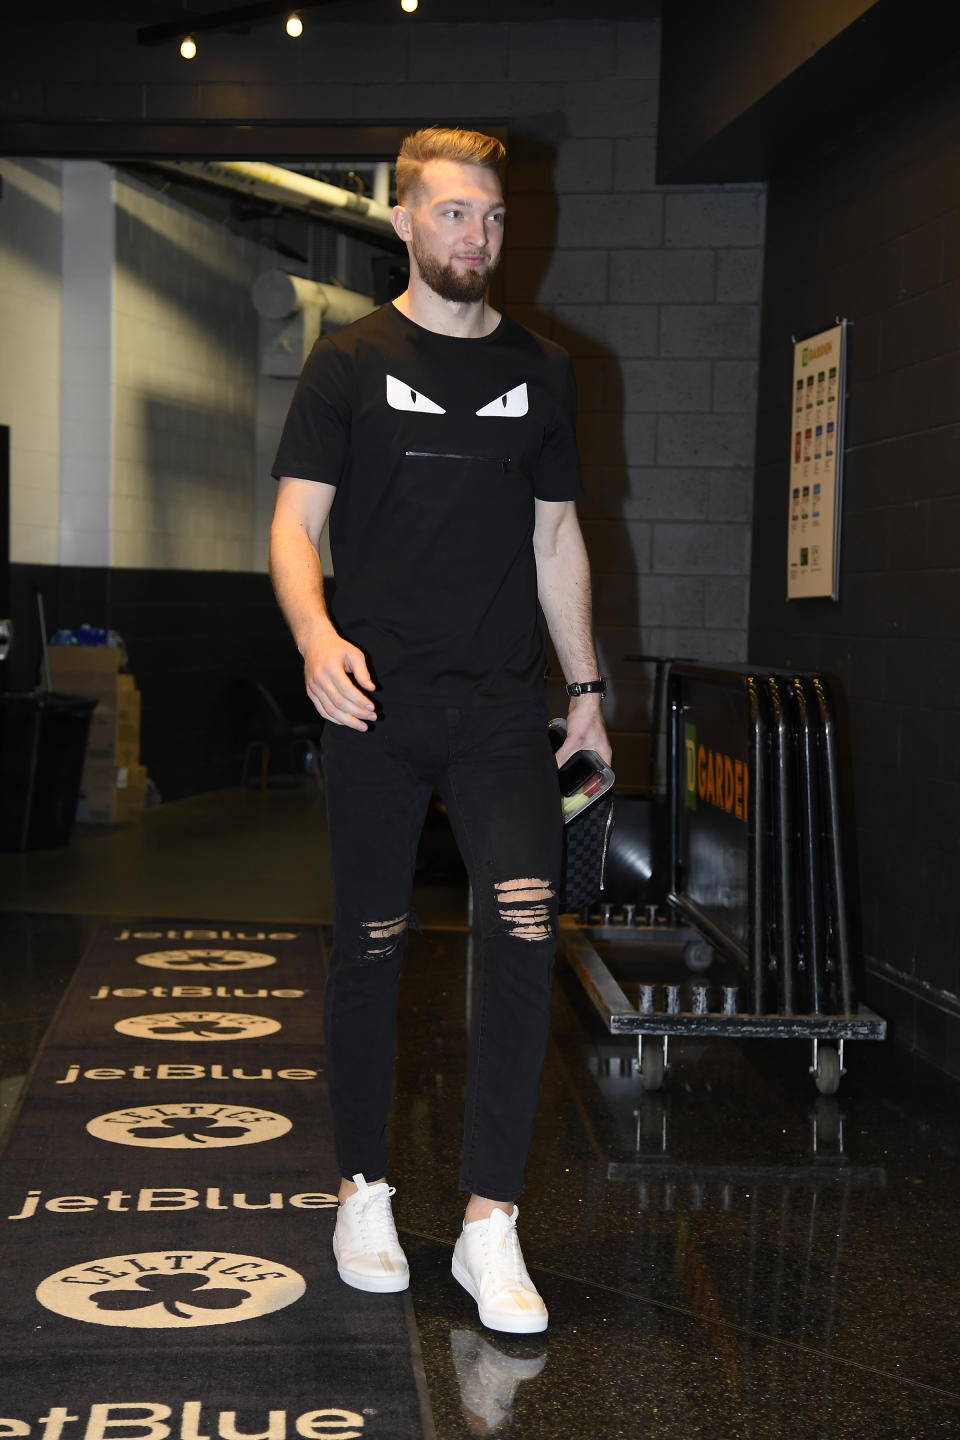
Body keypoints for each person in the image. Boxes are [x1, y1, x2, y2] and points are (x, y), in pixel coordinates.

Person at [269, 126, 610, 1335]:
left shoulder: (548, 371)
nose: (478, 236)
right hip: (373, 705)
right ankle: (362, 1187)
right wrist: (315, 638)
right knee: (369, 943)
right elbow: (293, 527)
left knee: (522, 938)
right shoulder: (347, 363)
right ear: (405, 221)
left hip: (505, 711)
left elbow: (556, 538)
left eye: (495, 216)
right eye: (454, 213)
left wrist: (587, 690)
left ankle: (487, 1224)